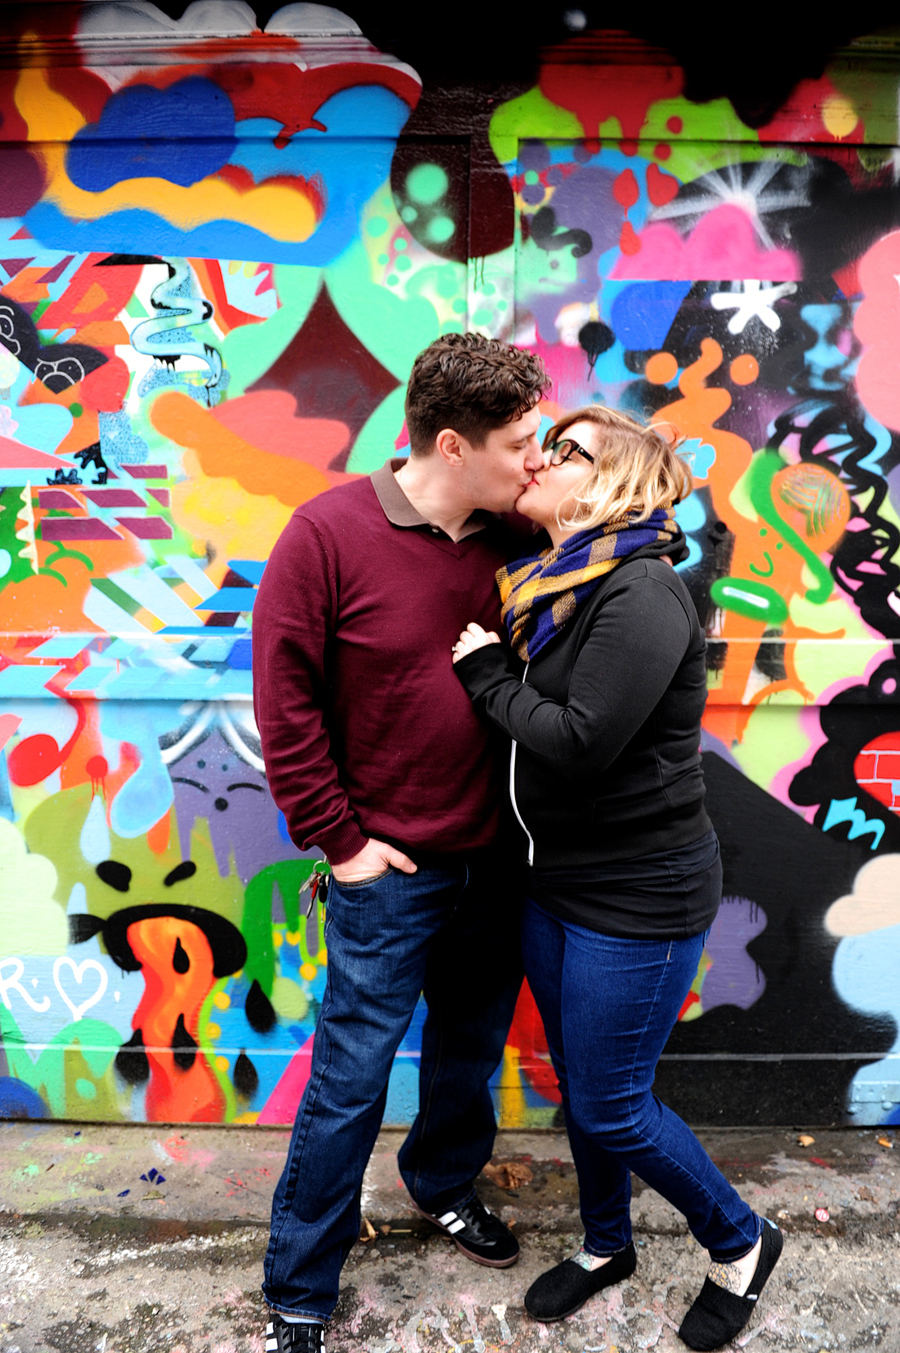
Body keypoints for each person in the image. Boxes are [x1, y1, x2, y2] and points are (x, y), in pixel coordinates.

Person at [451, 405, 783, 1353]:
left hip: (638, 895)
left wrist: (483, 674)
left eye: (569, 452)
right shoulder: (558, 581)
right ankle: (607, 1245)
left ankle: (741, 1240)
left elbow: (580, 740)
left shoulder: (639, 591)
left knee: (610, 1100)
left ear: (614, 486)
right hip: (558, 882)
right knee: (583, 1082)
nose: (546, 460)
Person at [252, 332, 550, 1353]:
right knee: (349, 1080)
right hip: (387, 872)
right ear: (455, 445)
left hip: (494, 865)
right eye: (522, 441)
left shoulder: (519, 539)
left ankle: (441, 1186)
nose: (538, 458)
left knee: (467, 1054)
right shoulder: (325, 535)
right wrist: (342, 846)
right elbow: (285, 709)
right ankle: (299, 1286)